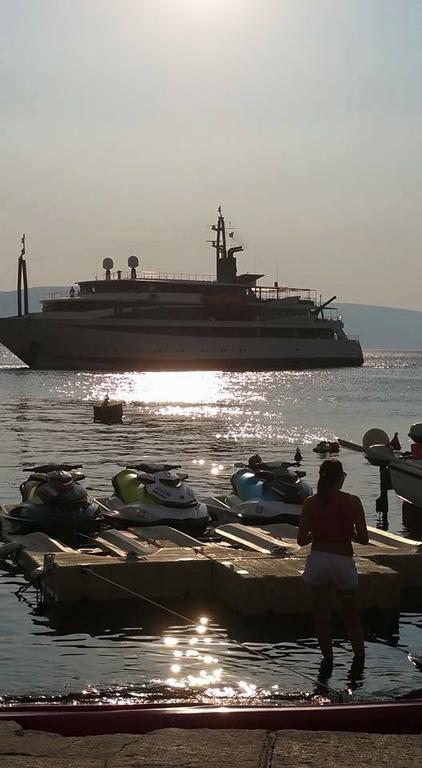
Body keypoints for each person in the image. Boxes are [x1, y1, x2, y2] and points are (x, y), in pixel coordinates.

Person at [297, 458, 368, 667]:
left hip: (318, 561)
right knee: (351, 616)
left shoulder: (310, 503)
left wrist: (318, 533)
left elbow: (301, 540)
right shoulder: (353, 502)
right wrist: (350, 533)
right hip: (342, 561)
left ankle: (327, 661)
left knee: (322, 617)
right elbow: (364, 538)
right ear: (340, 479)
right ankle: (359, 662)